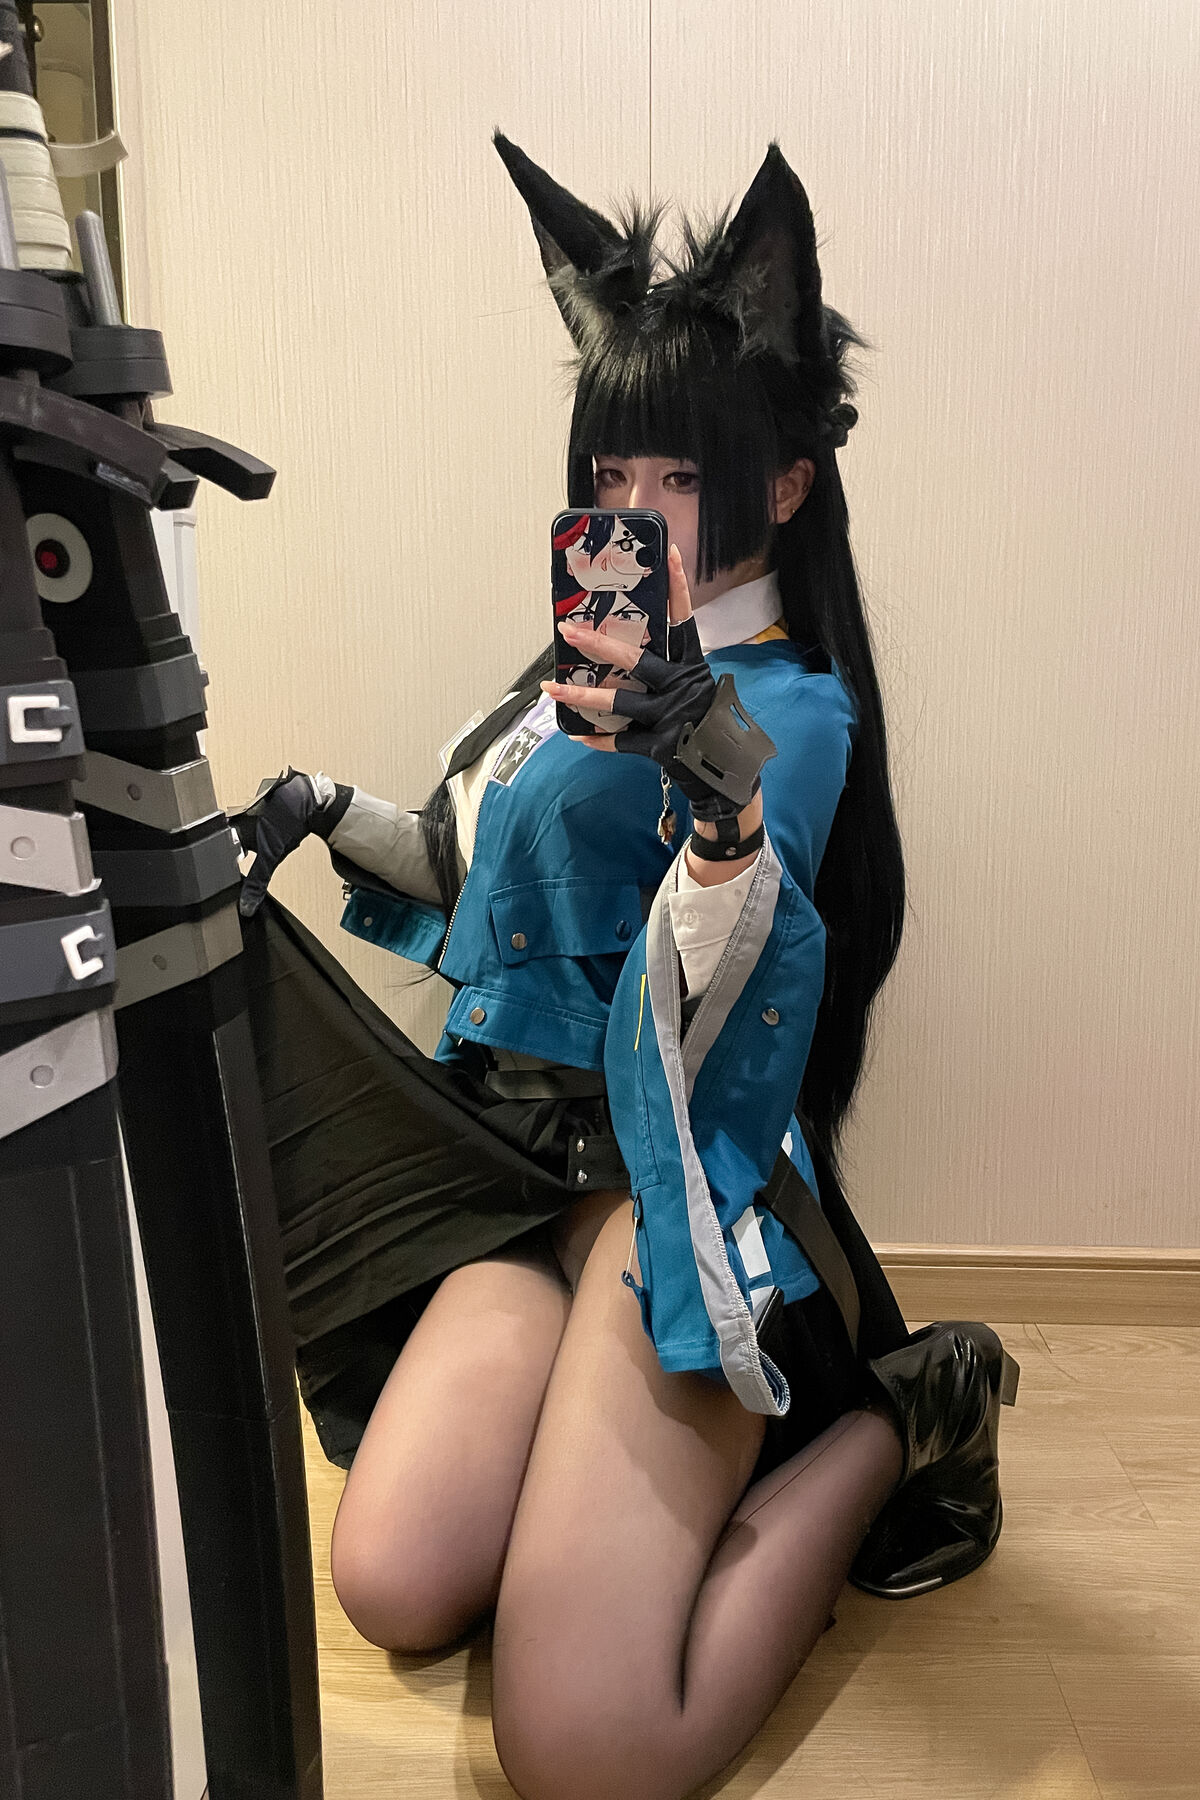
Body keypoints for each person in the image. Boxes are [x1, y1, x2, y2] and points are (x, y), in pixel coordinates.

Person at [237, 135, 1018, 1800]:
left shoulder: (789, 712)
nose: (634, 513)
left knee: (587, 1749)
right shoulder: (564, 684)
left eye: (678, 476)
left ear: (783, 486)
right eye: (611, 475)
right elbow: (472, 877)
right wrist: (319, 810)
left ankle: (899, 1413)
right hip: (505, 1165)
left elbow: (746, 943)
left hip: (671, 1187)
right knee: (395, 1579)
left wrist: (711, 794)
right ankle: (608, 1491)